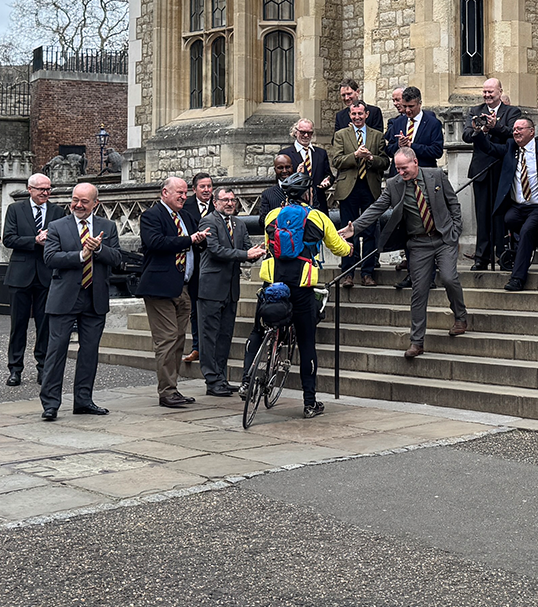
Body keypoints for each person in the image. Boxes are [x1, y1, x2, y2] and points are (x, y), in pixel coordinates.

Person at [342, 148, 468, 359]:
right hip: (418, 244)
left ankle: (460, 316)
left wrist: (455, 230)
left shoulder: (436, 175)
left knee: (448, 277)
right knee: (419, 291)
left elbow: (453, 203)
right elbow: (376, 208)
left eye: (404, 168)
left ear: (415, 162)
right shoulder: (394, 185)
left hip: (443, 238)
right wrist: (354, 228)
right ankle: (417, 342)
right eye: (398, 168)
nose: (401, 172)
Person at [248, 173, 351, 417]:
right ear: (308, 193)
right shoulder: (317, 217)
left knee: (261, 327)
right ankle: (309, 402)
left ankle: (249, 377)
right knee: (306, 343)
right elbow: (337, 247)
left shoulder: (273, 216)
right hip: (302, 284)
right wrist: (348, 246)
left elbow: (270, 244)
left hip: (274, 281)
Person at [39, 183, 124, 421]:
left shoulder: (107, 226)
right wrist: (81, 255)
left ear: (96, 203)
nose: (78, 205)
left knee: (89, 352)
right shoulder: (57, 226)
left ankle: (84, 400)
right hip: (64, 298)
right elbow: (50, 258)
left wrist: (99, 249)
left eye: (84, 201)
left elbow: (117, 258)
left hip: (94, 298)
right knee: (56, 351)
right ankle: (50, 404)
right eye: (75, 200)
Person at [134, 176, 210, 408]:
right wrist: (189, 240)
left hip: (184, 287)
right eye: (179, 193)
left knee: (178, 339)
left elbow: (196, 245)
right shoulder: (151, 216)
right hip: (160, 287)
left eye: (186, 193)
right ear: (165, 193)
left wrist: (201, 240)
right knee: (166, 339)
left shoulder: (186, 216)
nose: (184, 197)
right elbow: (156, 243)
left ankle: (172, 388)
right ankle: (166, 392)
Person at [1, 173, 66, 387]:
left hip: (46, 274)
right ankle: (15, 369)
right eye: (41, 189)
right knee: (18, 325)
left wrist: (51, 240)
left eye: (48, 189)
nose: (45, 193)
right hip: (21, 274)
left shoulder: (57, 212)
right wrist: (34, 240)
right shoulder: (15, 209)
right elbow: (8, 238)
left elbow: (65, 238)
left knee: (45, 325)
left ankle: (43, 368)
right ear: (30, 189)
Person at [198, 186, 263, 397]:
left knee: (225, 336)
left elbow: (245, 248)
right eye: (225, 200)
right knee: (209, 337)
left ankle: (221, 378)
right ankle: (211, 380)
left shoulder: (239, 224)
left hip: (231, 289)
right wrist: (245, 254)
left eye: (232, 200)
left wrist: (255, 253)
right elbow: (215, 250)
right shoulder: (208, 222)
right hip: (211, 288)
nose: (229, 203)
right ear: (215, 202)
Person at [462, 78, 522, 271]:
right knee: (482, 215)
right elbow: (466, 135)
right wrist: (478, 130)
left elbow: (514, 134)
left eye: (491, 92)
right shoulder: (475, 110)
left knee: (501, 214)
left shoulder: (512, 112)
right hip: (481, 169)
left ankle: (503, 255)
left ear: (500, 92)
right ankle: (482, 257)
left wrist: (495, 126)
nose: (487, 95)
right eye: (485, 92)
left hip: (502, 169)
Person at [330, 102, 389, 287]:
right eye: (354, 114)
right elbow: (336, 161)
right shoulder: (341, 135)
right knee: (348, 232)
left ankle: (367, 273)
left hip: (370, 187)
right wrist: (355, 155)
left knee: (370, 232)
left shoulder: (377, 135)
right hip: (348, 189)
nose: (357, 117)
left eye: (360, 114)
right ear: (350, 115)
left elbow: (385, 162)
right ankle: (348, 273)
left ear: (367, 114)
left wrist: (370, 158)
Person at [500, 116, 538, 292]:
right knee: (508, 219)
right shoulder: (511, 148)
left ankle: (517, 278)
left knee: (526, 231)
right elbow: (490, 149)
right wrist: (479, 133)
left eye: (520, 128)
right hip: (518, 206)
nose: (516, 132)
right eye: (514, 129)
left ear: (532, 131)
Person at [181, 173, 214, 364]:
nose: (206, 190)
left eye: (209, 186)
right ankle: (196, 347)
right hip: (194, 263)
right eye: (202, 186)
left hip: (214, 262)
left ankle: (211, 347)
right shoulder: (186, 207)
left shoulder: (218, 204)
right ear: (194, 189)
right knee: (194, 307)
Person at [382, 86, 445, 168]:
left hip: (424, 170)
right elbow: (389, 151)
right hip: (399, 173)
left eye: (411, 106)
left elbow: (437, 151)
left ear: (420, 104)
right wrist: (399, 145)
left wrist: (411, 146)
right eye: (405, 106)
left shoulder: (433, 123)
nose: (407, 110)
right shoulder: (397, 122)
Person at [280, 119, 334, 212]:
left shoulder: (321, 153)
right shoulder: (285, 154)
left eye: (309, 133)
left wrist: (328, 180)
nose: (306, 135)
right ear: (295, 132)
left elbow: (328, 174)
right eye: (302, 132)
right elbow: (282, 180)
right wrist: (296, 174)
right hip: (295, 206)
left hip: (319, 205)